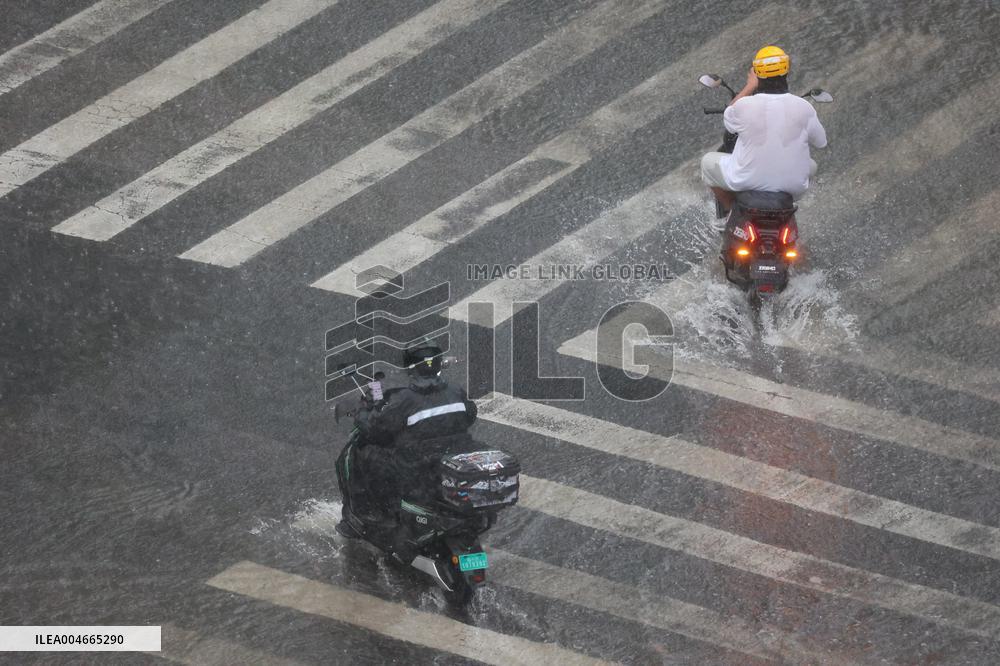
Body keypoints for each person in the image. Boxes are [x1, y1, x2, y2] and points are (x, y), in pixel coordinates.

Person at [336, 344, 477, 537]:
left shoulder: (405, 400)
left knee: (363, 453)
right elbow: (470, 415)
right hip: (449, 457)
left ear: (411, 370)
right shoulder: (456, 391)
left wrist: (361, 412)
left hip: (416, 465)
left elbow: (375, 428)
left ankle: (364, 517)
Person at [701, 45, 827, 214]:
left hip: (745, 180)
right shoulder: (804, 107)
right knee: (811, 165)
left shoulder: (744, 106)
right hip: (793, 187)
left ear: (756, 73)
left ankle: (729, 212)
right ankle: (786, 213)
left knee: (707, 162)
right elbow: (821, 142)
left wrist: (750, 86)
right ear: (786, 70)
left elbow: (729, 116)